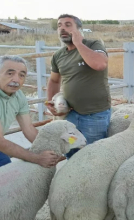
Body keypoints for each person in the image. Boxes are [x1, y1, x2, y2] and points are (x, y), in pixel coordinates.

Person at [46, 14, 111, 159]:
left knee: (92, 158)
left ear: (79, 29)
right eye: (59, 25)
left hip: (94, 116)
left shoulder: (94, 45)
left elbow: (100, 64)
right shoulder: (58, 55)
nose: (62, 28)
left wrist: (79, 44)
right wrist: (50, 102)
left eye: (68, 25)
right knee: (70, 153)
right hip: (69, 114)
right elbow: (54, 81)